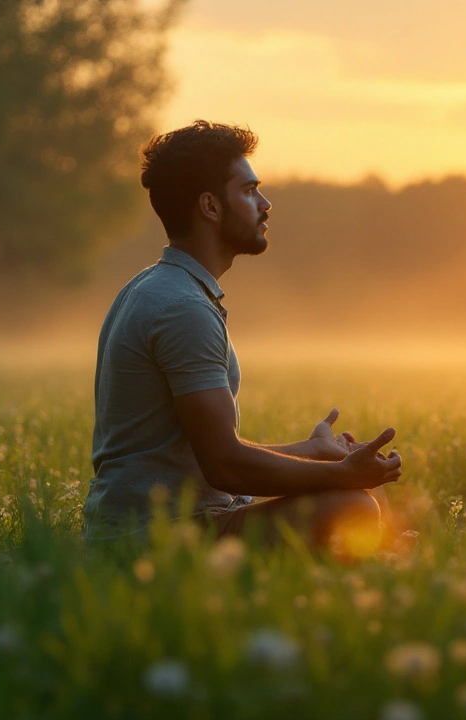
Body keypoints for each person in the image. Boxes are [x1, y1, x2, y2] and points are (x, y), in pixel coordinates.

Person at [82, 120, 402, 553]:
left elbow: (209, 453)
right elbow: (224, 465)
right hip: (155, 539)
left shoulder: (159, 287)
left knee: (360, 488)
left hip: (164, 523)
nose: (265, 204)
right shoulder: (182, 309)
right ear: (210, 207)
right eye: (250, 191)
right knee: (353, 505)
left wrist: (313, 450)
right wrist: (341, 476)